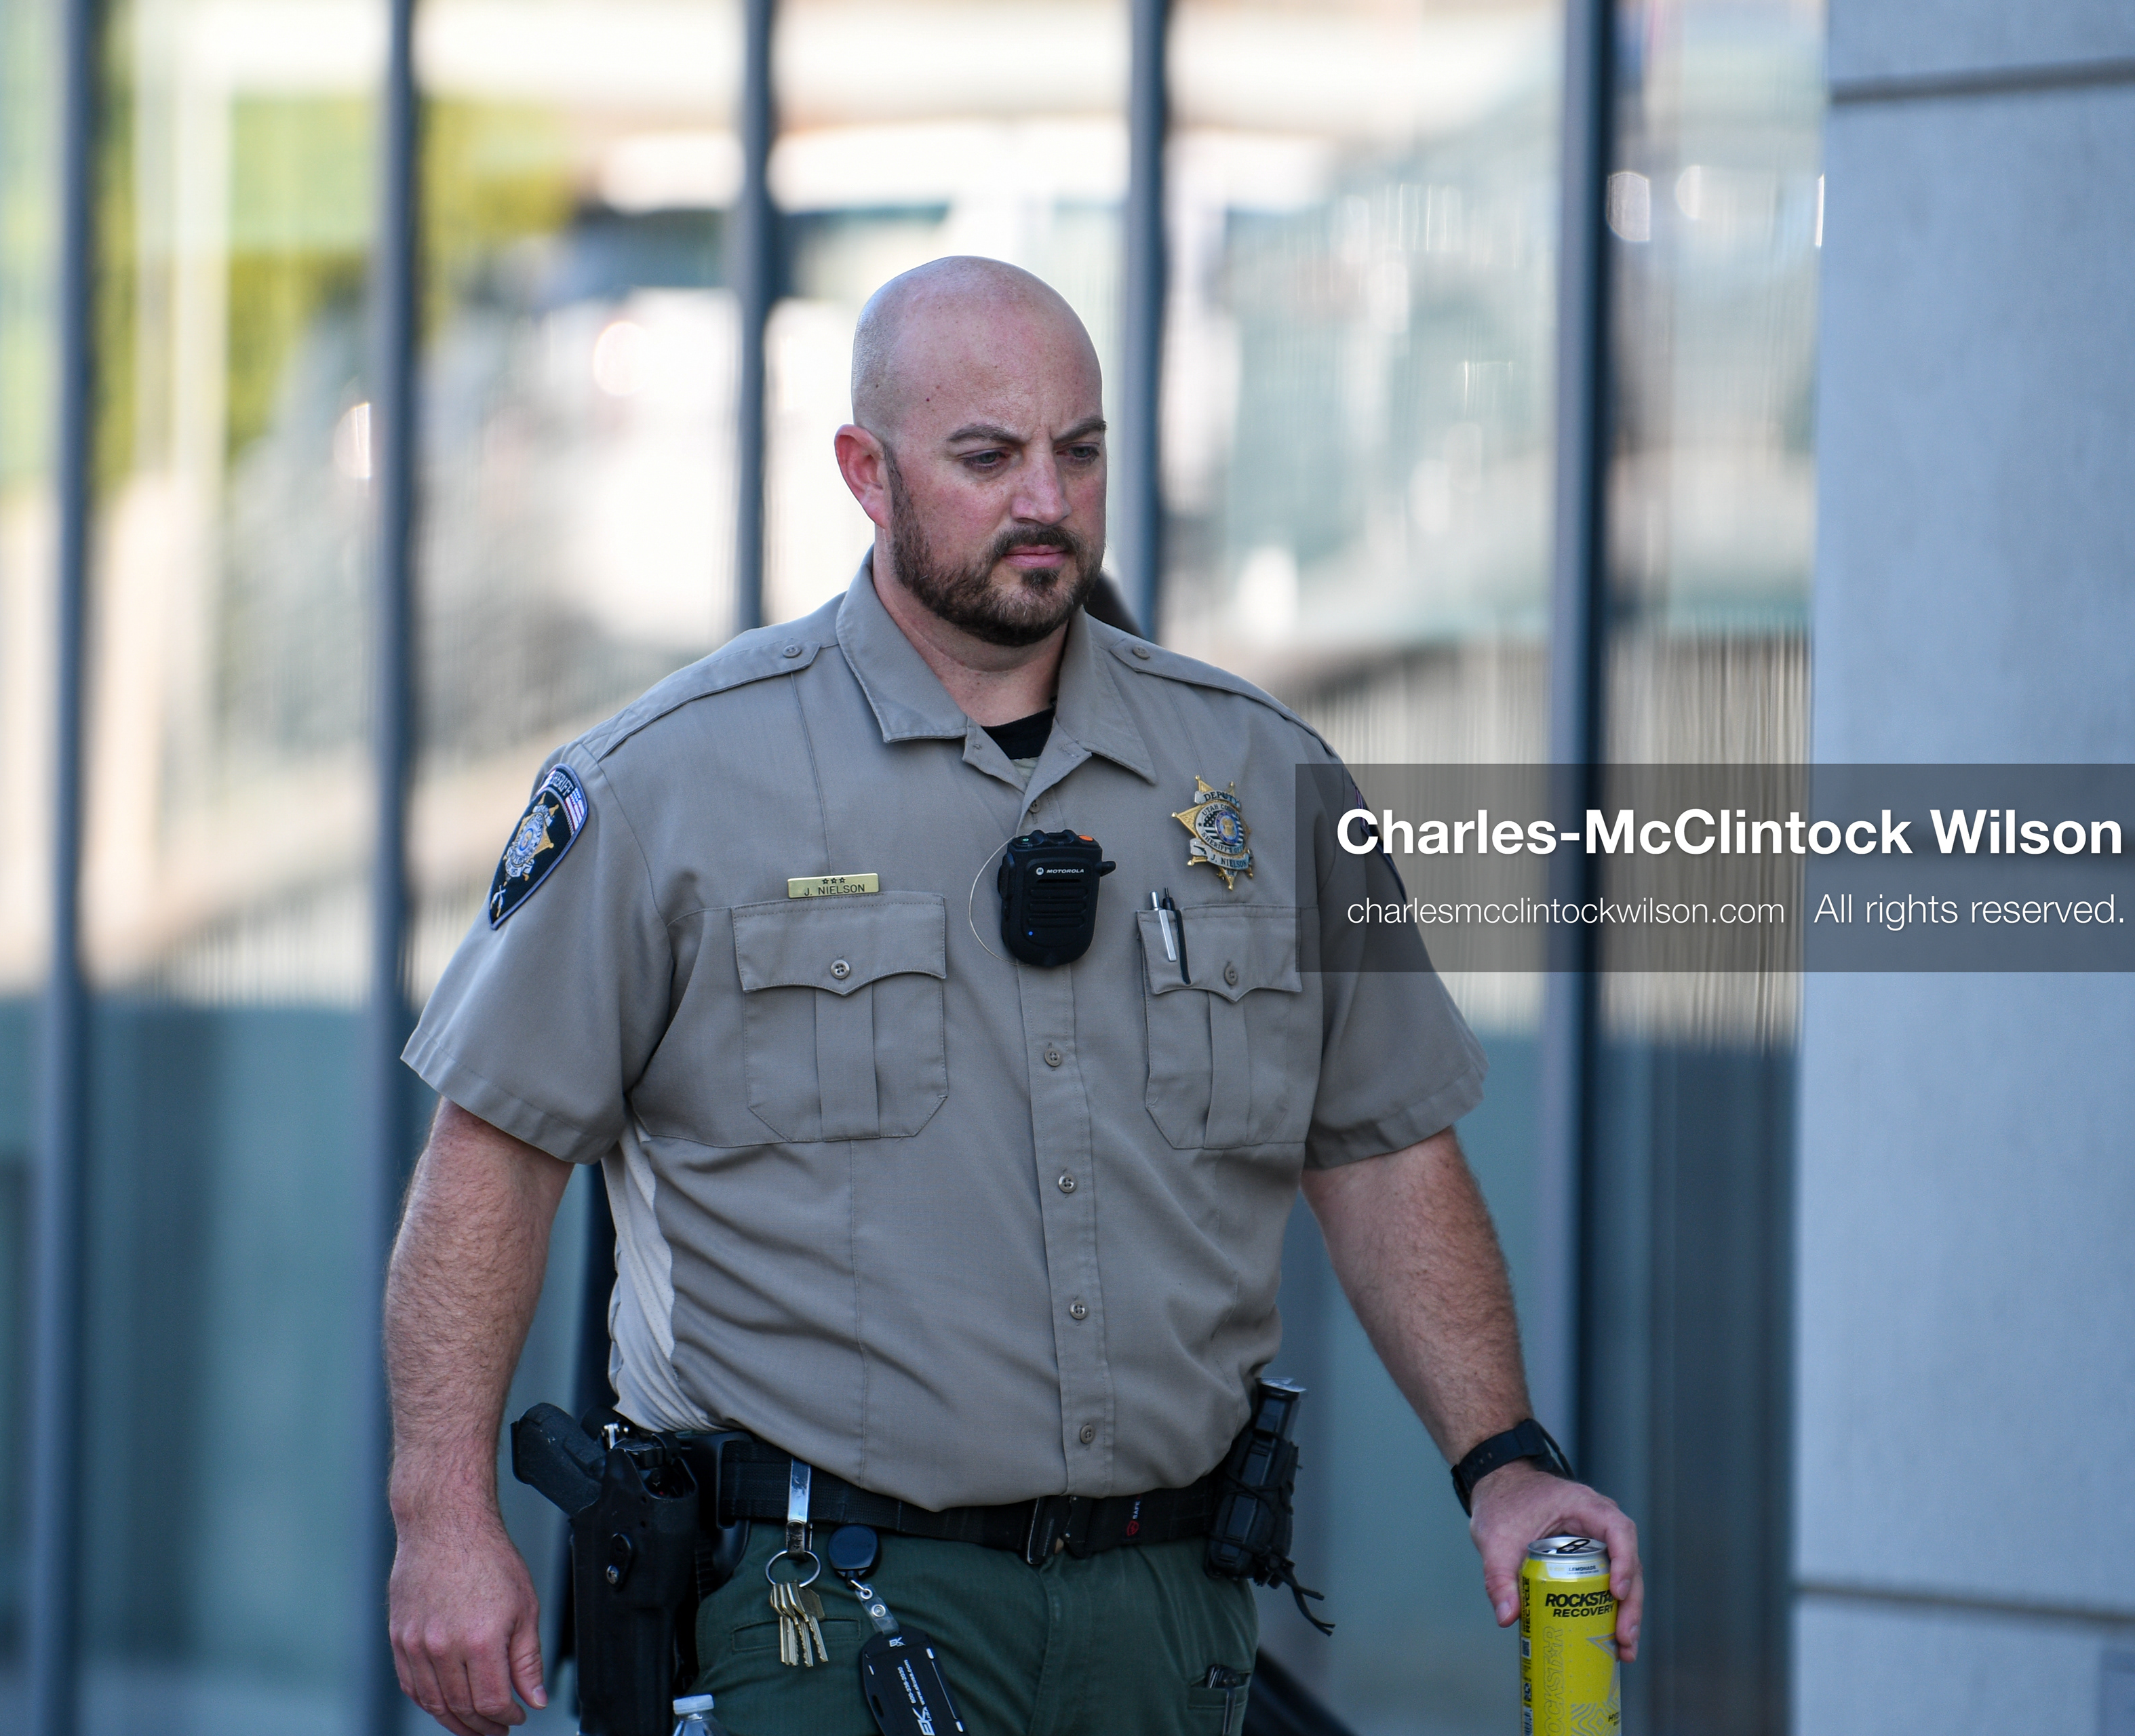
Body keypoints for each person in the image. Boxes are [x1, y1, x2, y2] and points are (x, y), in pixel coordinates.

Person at [380, 256, 1640, 1736]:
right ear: (867, 468)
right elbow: (493, 1159)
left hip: (1171, 1613)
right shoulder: (670, 785)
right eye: (987, 456)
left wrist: (1507, 1457)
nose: (1046, 496)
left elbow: (1380, 1151)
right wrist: (444, 1518)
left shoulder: (1264, 776)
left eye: (1081, 448)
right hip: (821, 1610)